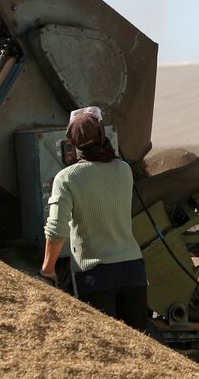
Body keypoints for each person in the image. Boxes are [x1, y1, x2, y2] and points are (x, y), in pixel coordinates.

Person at [41, 106, 152, 335]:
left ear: (72, 142)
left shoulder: (67, 178)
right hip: (133, 272)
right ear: (103, 134)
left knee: (105, 349)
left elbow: (57, 230)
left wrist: (47, 270)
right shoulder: (124, 170)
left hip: (95, 278)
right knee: (139, 349)